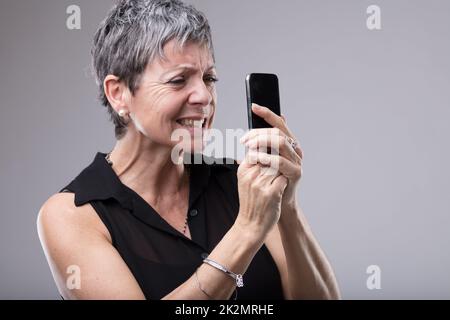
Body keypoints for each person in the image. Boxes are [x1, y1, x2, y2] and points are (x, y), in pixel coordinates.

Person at [37, 0, 340, 300]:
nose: (204, 96)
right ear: (119, 94)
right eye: (178, 80)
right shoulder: (73, 214)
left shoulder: (240, 182)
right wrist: (246, 230)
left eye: (209, 78)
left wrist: (286, 208)